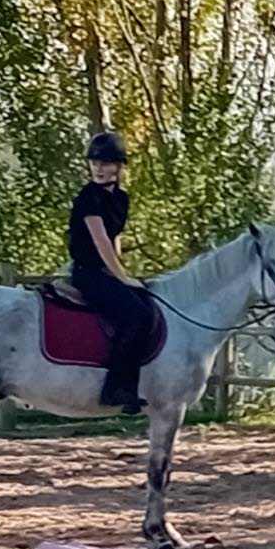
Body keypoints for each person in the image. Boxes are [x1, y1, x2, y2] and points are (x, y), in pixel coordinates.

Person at [67, 132, 151, 415]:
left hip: (105, 271)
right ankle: (116, 388)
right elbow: (100, 240)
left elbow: (115, 238)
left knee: (146, 305)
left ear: (118, 167)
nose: (98, 168)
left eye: (105, 163)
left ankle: (134, 382)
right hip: (87, 272)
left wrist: (122, 272)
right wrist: (122, 278)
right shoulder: (88, 197)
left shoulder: (121, 199)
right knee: (137, 316)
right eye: (94, 163)